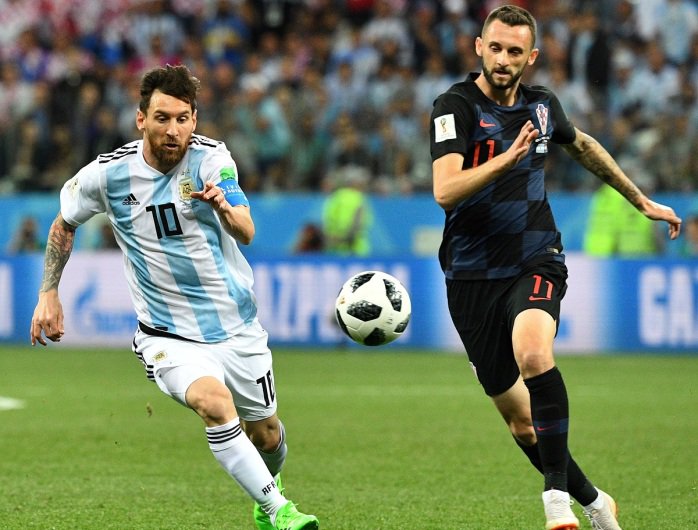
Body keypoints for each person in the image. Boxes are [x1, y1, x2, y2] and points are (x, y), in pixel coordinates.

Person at [30, 64, 319, 530]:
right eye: (162, 118)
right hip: (166, 333)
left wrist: (224, 208)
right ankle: (278, 511)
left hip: (236, 327)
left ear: (194, 120)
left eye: (182, 119)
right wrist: (49, 292)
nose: (173, 130)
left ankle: (267, 489)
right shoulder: (108, 175)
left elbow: (246, 230)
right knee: (213, 403)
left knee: (267, 436)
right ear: (140, 119)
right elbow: (64, 223)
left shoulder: (212, 160)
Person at [429, 6, 681, 530]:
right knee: (523, 425)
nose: (503, 60)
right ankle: (596, 502)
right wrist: (508, 157)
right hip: (471, 275)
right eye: (495, 48)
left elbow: (582, 145)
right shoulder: (455, 106)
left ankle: (556, 499)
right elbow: (445, 190)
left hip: (535, 256)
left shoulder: (542, 106)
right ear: (478, 47)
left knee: (533, 352)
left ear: (532, 57)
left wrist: (641, 201)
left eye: (514, 51)